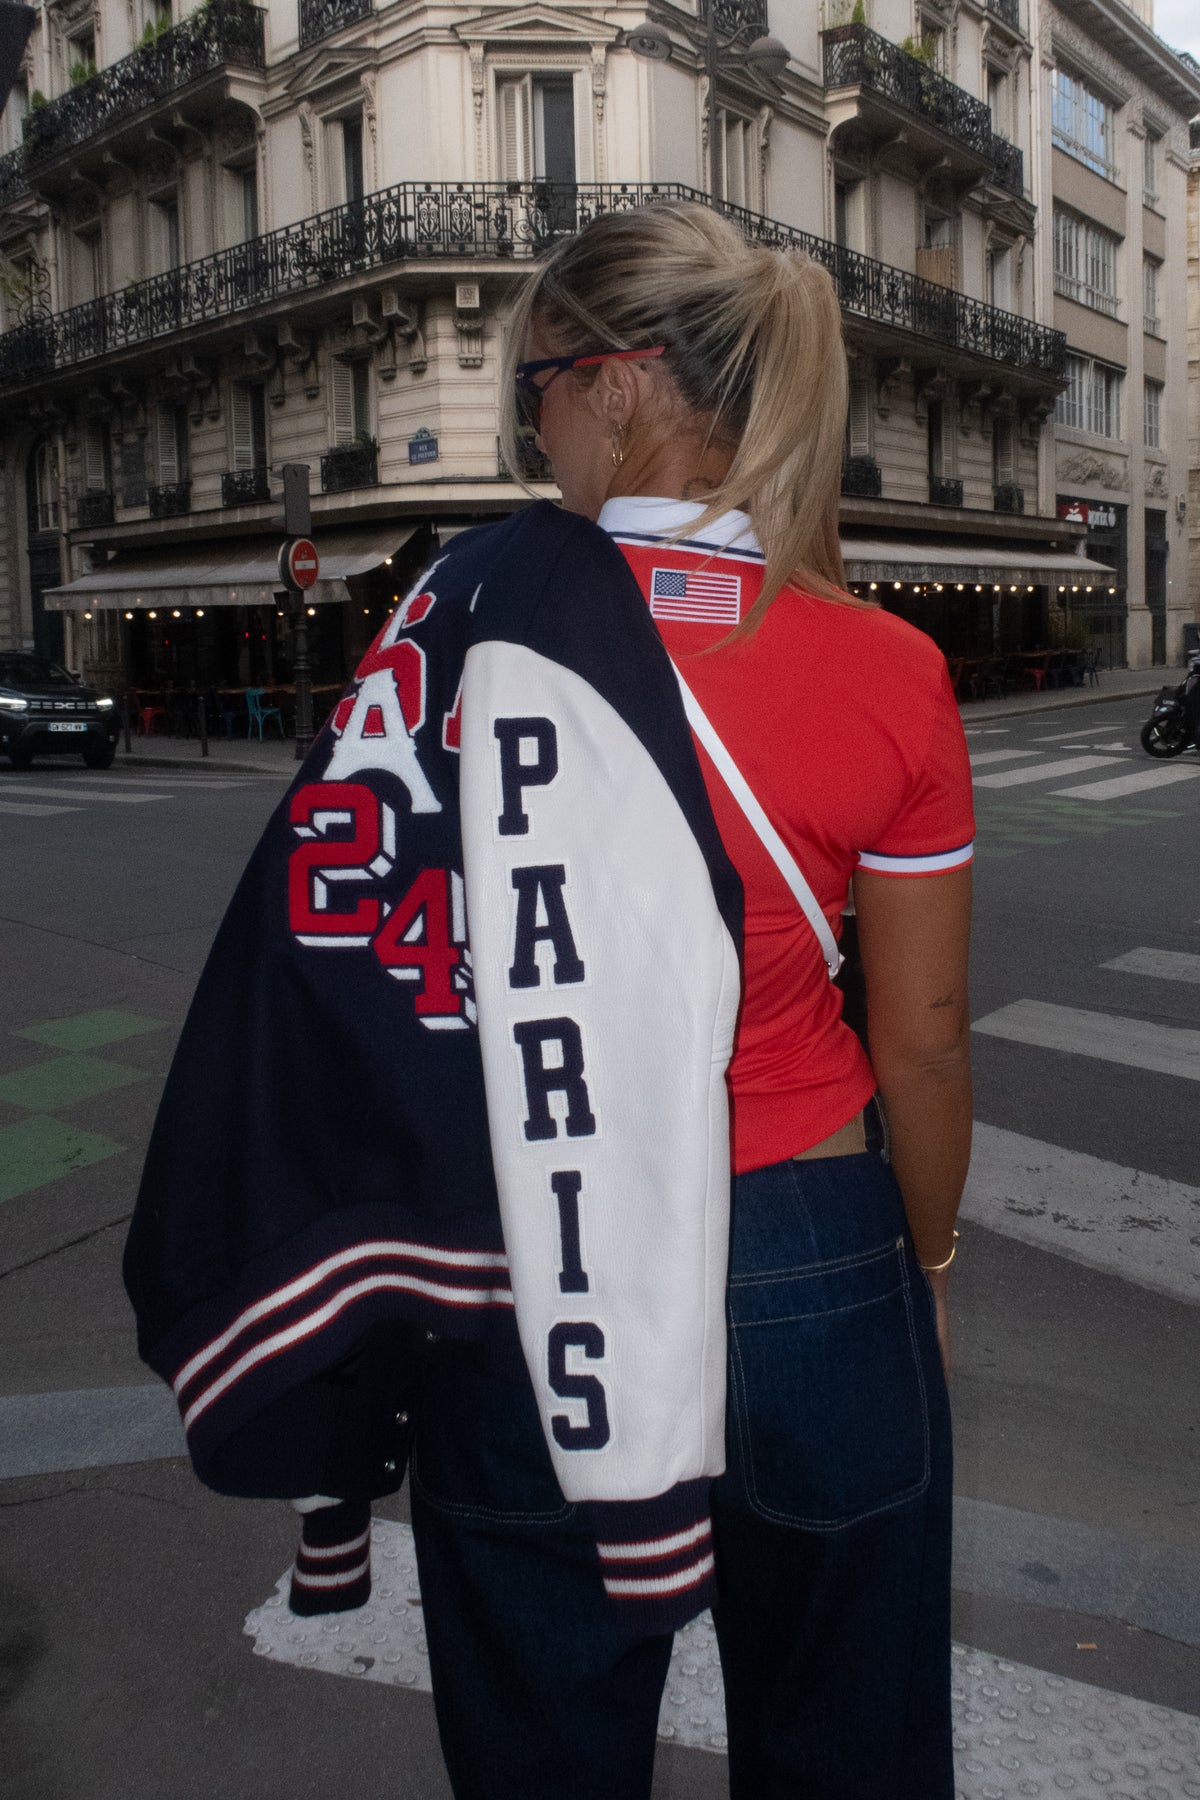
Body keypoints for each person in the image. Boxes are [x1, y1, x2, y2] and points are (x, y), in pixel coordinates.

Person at [124, 199, 972, 1800]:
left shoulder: (460, 623)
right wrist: (921, 1264)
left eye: (538, 384)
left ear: (628, 386)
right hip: (811, 1252)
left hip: (534, 1259)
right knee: (849, 1745)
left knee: (545, 1751)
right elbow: (921, 1041)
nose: (529, 428)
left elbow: (354, 947)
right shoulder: (886, 664)